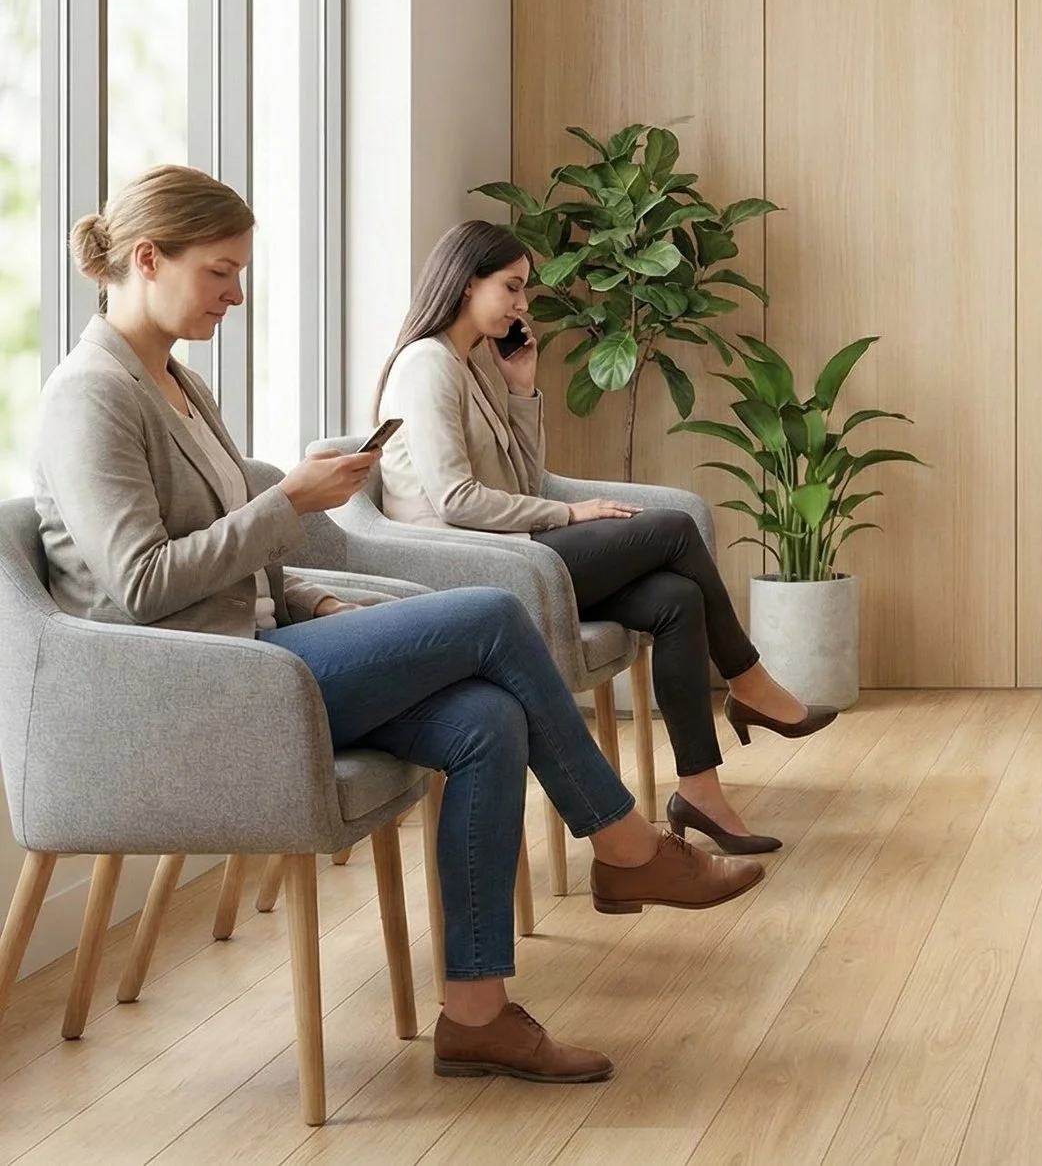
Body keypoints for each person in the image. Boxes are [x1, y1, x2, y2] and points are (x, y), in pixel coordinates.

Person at [35, 166, 764, 1084]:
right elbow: (142, 584)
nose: (238, 293)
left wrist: (316, 597)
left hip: (263, 649)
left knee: (485, 723)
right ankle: (625, 847)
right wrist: (288, 502)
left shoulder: (174, 381)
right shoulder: (92, 394)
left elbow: (248, 567)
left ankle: (477, 1014)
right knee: (497, 615)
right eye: (221, 271)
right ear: (147, 258)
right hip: (203, 684)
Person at [373, 221, 835, 856]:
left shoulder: (471, 365)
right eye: (511, 288)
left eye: (524, 291)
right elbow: (455, 500)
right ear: (465, 279)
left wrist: (522, 389)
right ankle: (749, 682)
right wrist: (569, 515)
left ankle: (700, 792)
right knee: (672, 530)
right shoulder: (427, 366)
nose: (522, 305)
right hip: (475, 570)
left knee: (677, 598)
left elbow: (522, 479)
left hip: (515, 554)